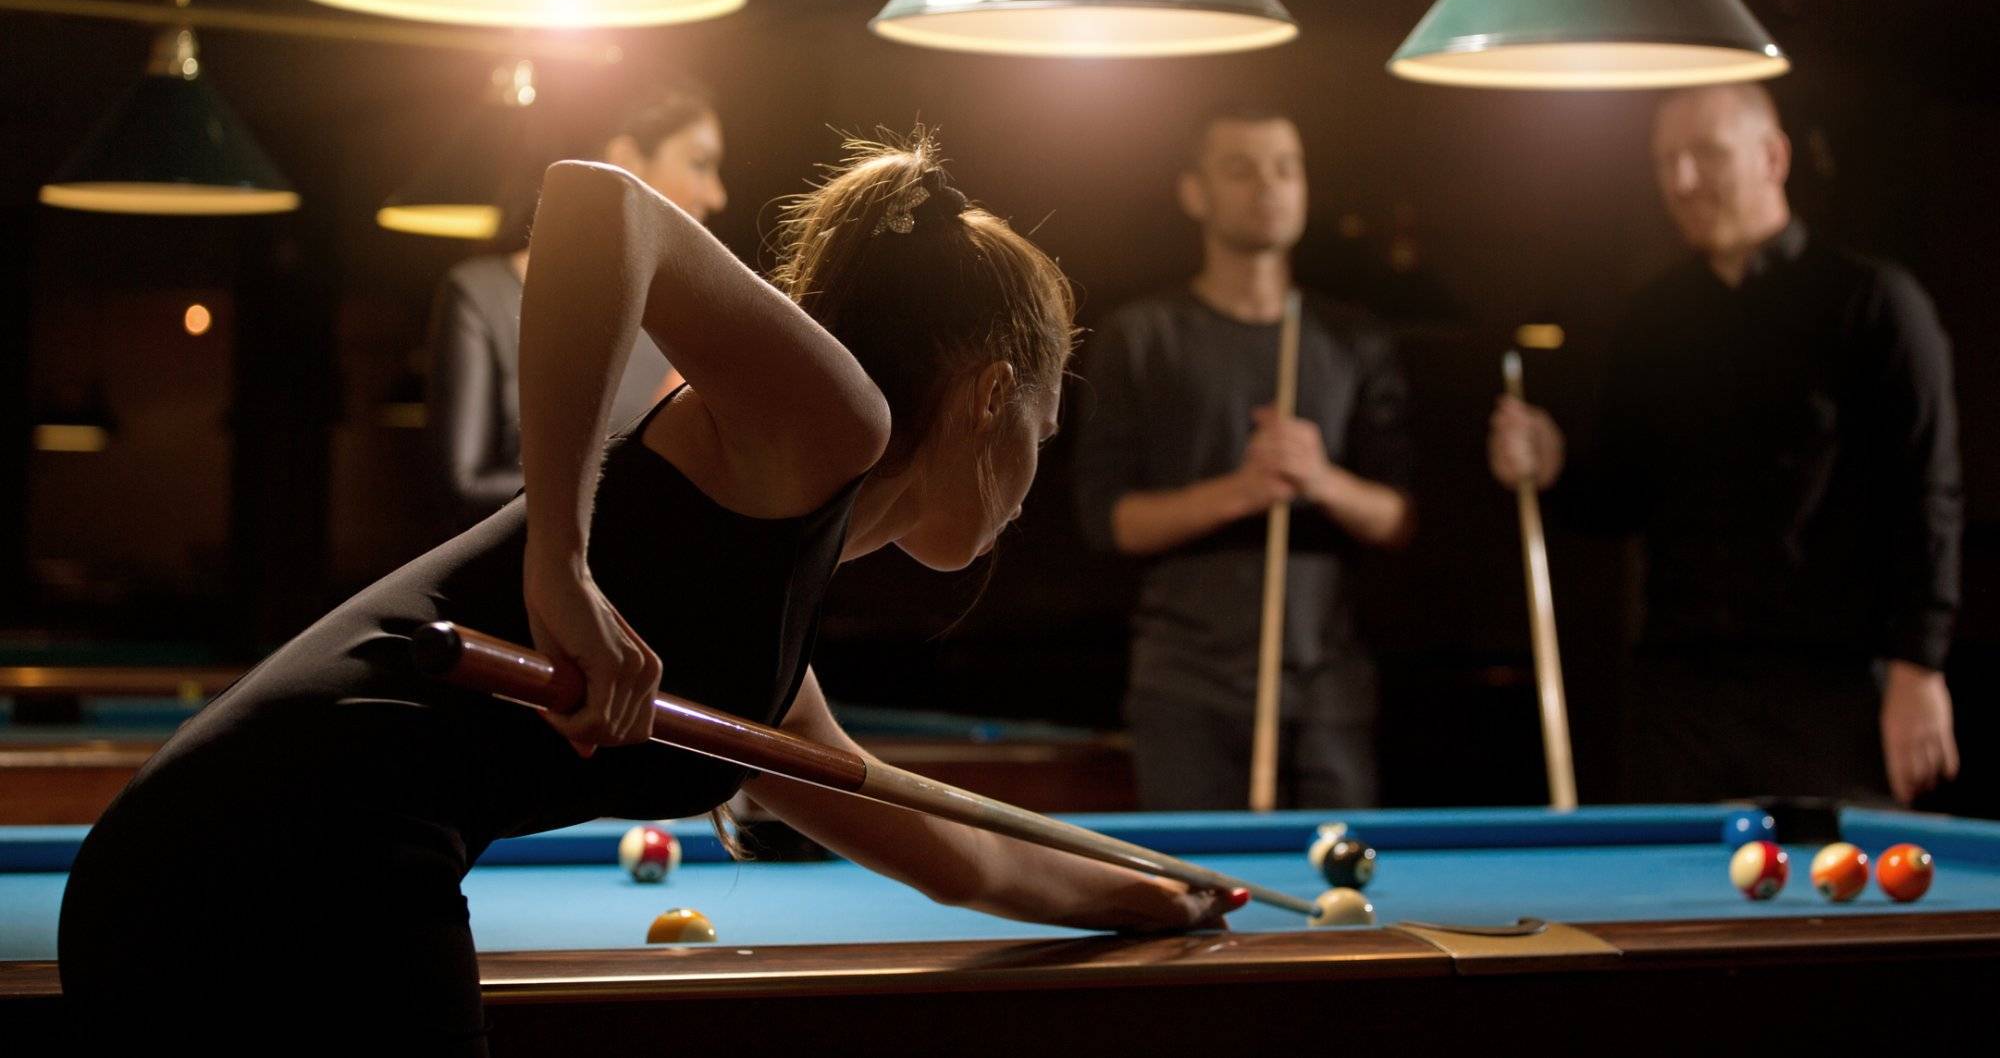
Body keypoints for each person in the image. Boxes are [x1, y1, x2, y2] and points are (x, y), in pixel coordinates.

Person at [59, 134, 1236, 1052]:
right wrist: (558, 565)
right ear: (990, 395)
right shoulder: (832, 425)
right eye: (1048, 416)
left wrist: (1149, 897)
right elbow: (594, 200)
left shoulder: (771, 647)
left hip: (249, 861)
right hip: (276, 857)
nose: (1039, 472)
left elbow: (959, 854)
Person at [1487, 82, 1963, 806]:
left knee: (1832, 912)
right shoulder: (1653, 318)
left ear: (1773, 157)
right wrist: (1553, 465)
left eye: (1706, 155)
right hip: (1681, 689)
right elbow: (1620, 497)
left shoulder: (1873, 302)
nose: (1681, 181)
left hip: (1829, 688)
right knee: (1669, 911)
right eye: (1665, 161)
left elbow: (1928, 492)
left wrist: (1918, 669)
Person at [1073, 108, 1415, 812]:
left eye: (1286, 167)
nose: (1269, 186)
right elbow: (1110, 521)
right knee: (1202, 906)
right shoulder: (1143, 337)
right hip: (1186, 684)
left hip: (1328, 683)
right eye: (1242, 169)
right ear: (1194, 193)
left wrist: (1318, 480)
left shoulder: (1352, 339)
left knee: (1343, 911)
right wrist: (1244, 489)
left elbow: (1398, 517)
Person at [426, 84, 727, 527]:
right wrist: (640, 487)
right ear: (626, 161)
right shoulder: (481, 292)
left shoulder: (693, 315)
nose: (718, 195)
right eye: (699, 164)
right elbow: (463, 485)